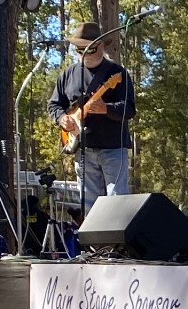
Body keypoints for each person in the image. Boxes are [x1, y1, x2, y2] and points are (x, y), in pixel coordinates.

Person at [47, 21, 136, 218]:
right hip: (83, 149)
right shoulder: (68, 74)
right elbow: (54, 105)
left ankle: (117, 246)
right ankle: (94, 247)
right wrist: (62, 119)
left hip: (112, 147)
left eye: (89, 49)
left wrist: (106, 109)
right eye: (79, 50)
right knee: (88, 203)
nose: (84, 55)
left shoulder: (117, 74)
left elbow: (129, 109)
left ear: (102, 46)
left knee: (117, 199)